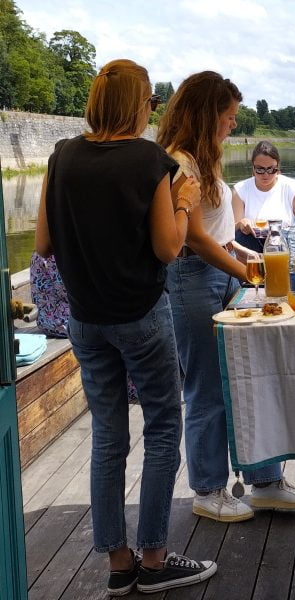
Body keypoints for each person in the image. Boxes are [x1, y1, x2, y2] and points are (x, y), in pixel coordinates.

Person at [34, 58, 216, 596]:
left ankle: (118, 562)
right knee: (163, 427)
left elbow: (42, 246)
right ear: (138, 105)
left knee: (108, 437)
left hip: (85, 321)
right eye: (150, 103)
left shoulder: (61, 155)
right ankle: (156, 557)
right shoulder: (147, 159)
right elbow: (168, 248)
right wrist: (183, 204)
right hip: (139, 315)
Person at [157, 72, 295, 523]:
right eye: (227, 117)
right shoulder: (179, 162)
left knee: (254, 374)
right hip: (194, 279)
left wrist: (245, 272)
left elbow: (220, 235)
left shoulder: (204, 159)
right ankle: (208, 490)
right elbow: (196, 240)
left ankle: (265, 482)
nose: (232, 124)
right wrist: (250, 273)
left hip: (223, 276)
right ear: (207, 115)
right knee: (206, 387)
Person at [232, 140, 295, 252]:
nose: (266, 175)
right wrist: (241, 224)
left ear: (278, 167)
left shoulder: (292, 188)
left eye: (271, 169)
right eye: (260, 169)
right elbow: (232, 228)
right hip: (251, 245)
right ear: (253, 167)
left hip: (285, 244)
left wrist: (286, 231)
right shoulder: (240, 189)